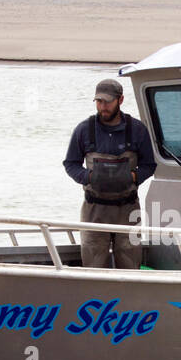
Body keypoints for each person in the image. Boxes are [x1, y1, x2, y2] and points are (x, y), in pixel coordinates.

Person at [62, 78, 156, 268]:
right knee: (93, 266)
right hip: (94, 209)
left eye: (107, 101)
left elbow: (149, 165)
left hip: (128, 209)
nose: (102, 106)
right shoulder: (83, 130)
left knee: (130, 265)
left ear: (120, 100)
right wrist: (88, 177)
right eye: (99, 101)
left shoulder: (137, 130)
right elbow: (70, 164)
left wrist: (133, 177)